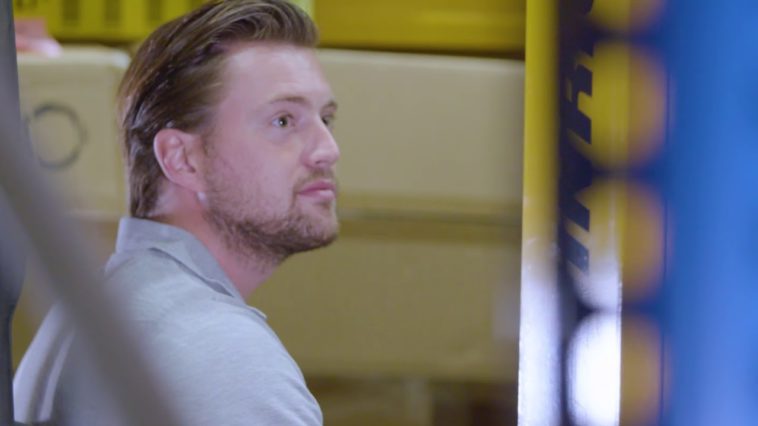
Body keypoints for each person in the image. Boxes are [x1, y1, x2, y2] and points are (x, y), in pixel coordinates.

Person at [14, 1, 338, 424]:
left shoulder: (95, 316)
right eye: (283, 121)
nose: (328, 149)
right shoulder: (223, 355)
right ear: (182, 159)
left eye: (326, 118)